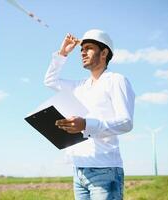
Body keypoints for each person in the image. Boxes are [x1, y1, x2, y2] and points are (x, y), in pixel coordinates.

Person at [44, 29, 135, 200]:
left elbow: (126, 122)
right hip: (79, 169)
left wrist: (86, 124)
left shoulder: (116, 80)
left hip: (105, 170)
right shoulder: (80, 86)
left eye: (89, 48)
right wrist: (63, 53)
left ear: (104, 52)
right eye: (81, 49)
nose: (83, 52)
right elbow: (50, 81)